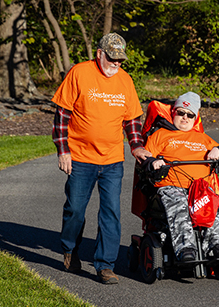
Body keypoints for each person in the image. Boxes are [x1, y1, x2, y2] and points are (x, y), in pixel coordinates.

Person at [52, 33, 151, 284]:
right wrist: (63, 151)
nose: (116, 64)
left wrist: (137, 146)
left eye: (120, 60)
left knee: (111, 211)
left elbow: (131, 120)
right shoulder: (79, 73)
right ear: (99, 54)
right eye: (112, 58)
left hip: (112, 160)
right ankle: (70, 250)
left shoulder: (125, 81)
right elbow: (62, 115)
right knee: (75, 208)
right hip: (80, 157)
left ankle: (105, 265)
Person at [142, 92, 219, 262]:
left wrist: (218, 150)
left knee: (208, 203)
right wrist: (153, 162)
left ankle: (216, 245)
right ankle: (186, 248)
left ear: (195, 118)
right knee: (179, 202)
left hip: (199, 188)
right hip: (171, 185)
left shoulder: (203, 138)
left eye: (190, 115)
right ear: (174, 112)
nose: (184, 118)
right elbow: (145, 157)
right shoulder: (160, 135)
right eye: (181, 112)